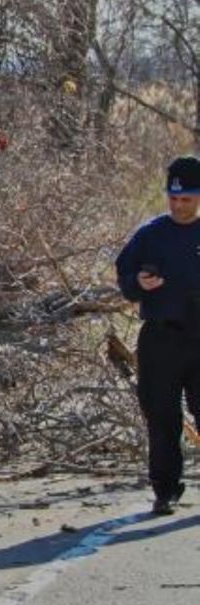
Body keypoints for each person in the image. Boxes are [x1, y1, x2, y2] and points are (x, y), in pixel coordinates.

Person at [116, 154, 200, 516]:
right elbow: (124, 279)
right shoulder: (150, 235)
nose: (179, 205)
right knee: (162, 417)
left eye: (187, 199)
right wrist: (139, 282)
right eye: (174, 198)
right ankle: (165, 490)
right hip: (160, 338)